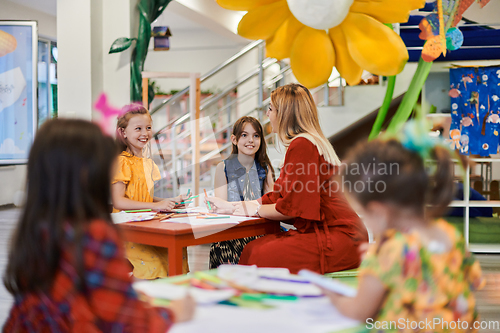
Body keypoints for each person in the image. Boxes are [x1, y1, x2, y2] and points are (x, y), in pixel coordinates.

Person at [3, 119, 194, 331]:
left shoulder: (35, 230)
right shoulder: (92, 234)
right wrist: (173, 312)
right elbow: (127, 320)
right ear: (88, 173)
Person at [323, 134, 485, 332]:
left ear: (379, 212)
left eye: (363, 214)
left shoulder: (389, 251)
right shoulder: (451, 234)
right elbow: (471, 283)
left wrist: (333, 299)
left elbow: (359, 311)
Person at [207, 83, 368, 274]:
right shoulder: (307, 142)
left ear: (284, 113)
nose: (267, 114)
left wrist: (255, 209)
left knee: (256, 252)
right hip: (343, 234)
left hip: (339, 238)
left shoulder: (302, 145)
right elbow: (278, 196)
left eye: (271, 109)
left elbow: (290, 207)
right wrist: (234, 207)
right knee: (254, 249)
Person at [111, 104, 189, 279]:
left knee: (177, 252)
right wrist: (156, 206)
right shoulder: (121, 162)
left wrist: (169, 201)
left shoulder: (147, 163)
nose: (145, 133)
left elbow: (143, 197)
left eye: (148, 128)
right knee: (156, 264)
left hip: (146, 225)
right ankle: (146, 301)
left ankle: (171, 299)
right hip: (128, 230)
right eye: (138, 128)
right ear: (123, 132)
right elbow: (119, 201)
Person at [209, 116, 274, 268]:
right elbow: (221, 207)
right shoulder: (223, 168)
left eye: (256, 135)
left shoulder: (265, 168)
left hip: (260, 228)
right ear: (234, 139)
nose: (251, 140)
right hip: (233, 230)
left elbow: (271, 201)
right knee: (220, 250)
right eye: (244, 135)